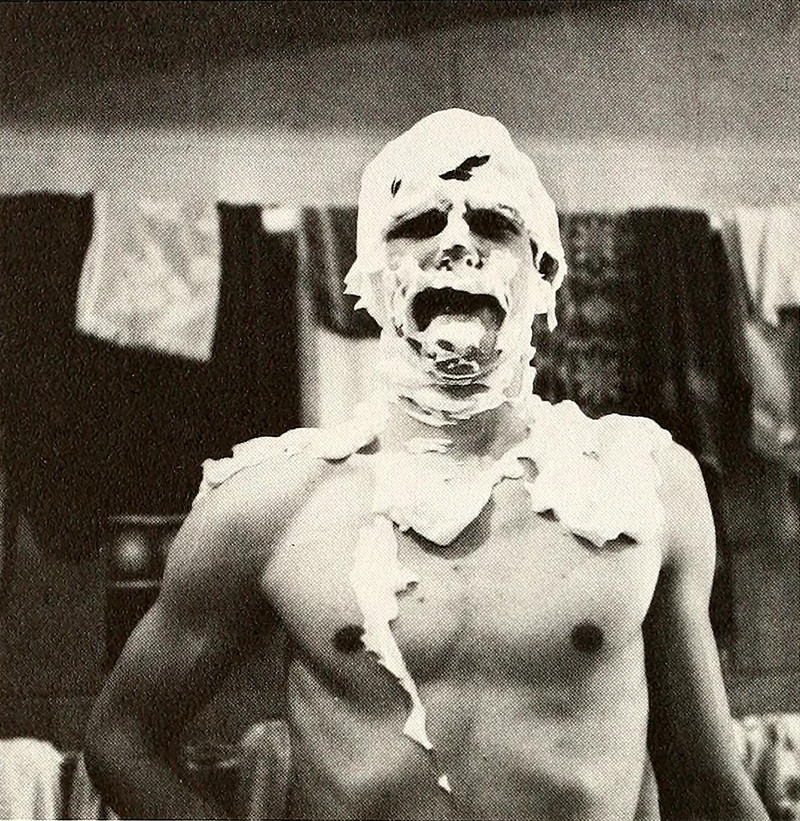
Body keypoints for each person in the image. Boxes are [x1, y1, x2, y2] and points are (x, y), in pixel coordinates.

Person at [86, 109, 768, 821]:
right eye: (418, 223)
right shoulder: (274, 504)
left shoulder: (642, 487)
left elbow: (704, 782)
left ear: (542, 272)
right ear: (372, 276)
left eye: (494, 223)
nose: (456, 244)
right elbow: (122, 739)